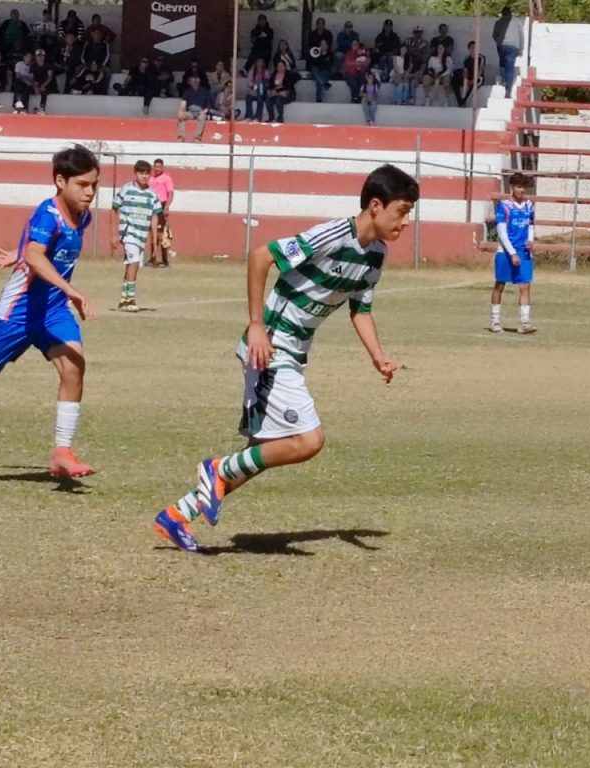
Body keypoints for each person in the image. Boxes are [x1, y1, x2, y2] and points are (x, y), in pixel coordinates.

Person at [151, 164, 420, 553]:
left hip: (293, 353)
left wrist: (378, 355)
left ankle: (177, 515)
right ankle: (215, 469)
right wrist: (256, 324)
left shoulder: (376, 255)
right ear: (376, 206)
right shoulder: (332, 234)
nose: (406, 221)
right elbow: (262, 256)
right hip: (271, 348)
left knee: (259, 456)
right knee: (308, 440)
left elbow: (360, 309)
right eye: (402, 211)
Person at [0, 145, 100, 478]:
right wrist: (71, 290)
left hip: (52, 312)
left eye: (94, 185)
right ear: (61, 181)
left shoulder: (83, 216)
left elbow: (35, 250)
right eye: (82, 185)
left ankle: (62, 452)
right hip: (17, 313)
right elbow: (35, 254)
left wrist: (20, 255)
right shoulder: (49, 213)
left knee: (74, 366)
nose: (90, 193)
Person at [111, 160, 162, 312]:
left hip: (141, 235)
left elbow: (154, 216)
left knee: (133, 265)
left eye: (147, 173)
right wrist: (114, 234)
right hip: (129, 232)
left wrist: (154, 239)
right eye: (141, 173)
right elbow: (114, 208)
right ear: (135, 173)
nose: (144, 176)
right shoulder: (126, 189)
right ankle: (130, 299)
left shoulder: (152, 194)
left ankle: (123, 298)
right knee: (133, 262)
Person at [490, 172, 536, 334]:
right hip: (506, 252)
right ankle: (495, 321)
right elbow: (501, 232)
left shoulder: (529, 205)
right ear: (512, 187)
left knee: (525, 286)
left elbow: (530, 225)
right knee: (500, 284)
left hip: (523, 252)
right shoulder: (505, 206)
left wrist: (530, 240)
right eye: (519, 186)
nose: (522, 190)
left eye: (524, 187)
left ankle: (524, 322)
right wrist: (511, 253)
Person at [147, 158, 175, 267]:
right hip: (151, 206)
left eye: (159, 166)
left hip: (161, 206)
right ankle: (153, 258)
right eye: (155, 166)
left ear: (162, 167)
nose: (157, 168)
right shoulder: (150, 179)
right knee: (152, 234)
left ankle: (164, 260)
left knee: (161, 234)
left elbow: (171, 194)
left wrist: (166, 207)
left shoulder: (166, 179)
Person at [492, 6, 524, 97]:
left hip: (501, 45)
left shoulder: (498, 22)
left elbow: (494, 35)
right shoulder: (517, 22)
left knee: (502, 62)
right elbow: (521, 36)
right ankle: (508, 88)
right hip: (513, 46)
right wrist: (521, 49)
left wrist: (499, 41)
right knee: (510, 66)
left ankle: (503, 79)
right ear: (511, 13)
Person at [176, 74, 211, 142]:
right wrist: (181, 111)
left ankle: (197, 138)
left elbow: (209, 103)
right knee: (181, 116)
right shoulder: (187, 91)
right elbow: (183, 103)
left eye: (197, 79)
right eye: (193, 79)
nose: (195, 81)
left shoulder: (204, 91)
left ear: (199, 81)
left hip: (200, 111)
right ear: (190, 82)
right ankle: (181, 137)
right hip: (190, 112)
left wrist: (206, 110)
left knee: (202, 117)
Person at [452, 40, 485, 107]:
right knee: (454, 81)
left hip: (478, 78)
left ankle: (465, 101)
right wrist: (466, 81)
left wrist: (473, 80)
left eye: (475, 47)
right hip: (469, 77)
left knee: (474, 85)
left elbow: (480, 71)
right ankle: (459, 100)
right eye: (472, 47)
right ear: (469, 49)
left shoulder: (481, 57)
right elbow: (465, 72)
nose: (474, 49)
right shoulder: (466, 59)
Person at [30, 48, 56, 113]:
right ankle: (27, 107)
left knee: (44, 91)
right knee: (28, 90)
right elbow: (31, 78)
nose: (40, 58)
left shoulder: (48, 65)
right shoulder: (33, 66)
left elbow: (50, 77)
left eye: (42, 56)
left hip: (47, 84)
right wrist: (35, 86)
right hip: (36, 84)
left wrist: (43, 85)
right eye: (38, 56)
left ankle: (42, 107)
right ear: (35, 57)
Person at [306, 37, 332, 102]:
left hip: (325, 73)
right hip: (316, 72)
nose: (323, 46)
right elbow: (310, 65)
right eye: (321, 44)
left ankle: (318, 98)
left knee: (318, 80)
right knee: (315, 69)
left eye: (324, 44)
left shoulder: (330, 55)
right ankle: (324, 84)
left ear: (327, 46)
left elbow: (329, 66)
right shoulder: (315, 54)